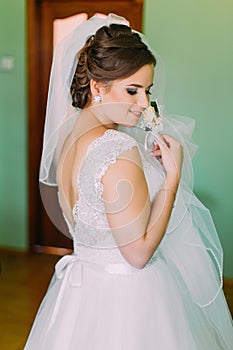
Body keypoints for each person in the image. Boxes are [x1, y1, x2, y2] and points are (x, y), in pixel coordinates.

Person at [24, 14, 233, 349]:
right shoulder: (118, 149)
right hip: (130, 299)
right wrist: (172, 177)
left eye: (146, 91)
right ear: (97, 86)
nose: (143, 104)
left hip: (81, 295)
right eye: (132, 90)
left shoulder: (70, 140)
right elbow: (138, 254)